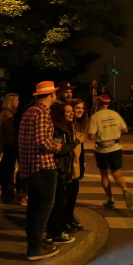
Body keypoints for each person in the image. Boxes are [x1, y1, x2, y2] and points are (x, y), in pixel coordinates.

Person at [18, 81, 63, 261]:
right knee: (44, 207)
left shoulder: (29, 111)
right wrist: (55, 146)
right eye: (54, 93)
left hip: (29, 167)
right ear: (51, 94)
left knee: (33, 208)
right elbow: (41, 141)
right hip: (42, 166)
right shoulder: (43, 113)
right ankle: (35, 248)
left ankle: (34, 242)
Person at [87, 95, 133, 209]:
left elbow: (91, 136)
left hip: (102, 150)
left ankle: (111, 200)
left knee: (104, 175)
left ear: (98, 103)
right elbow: (125, 129)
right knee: (117, 173)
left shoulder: (95, 117)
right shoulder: (115, 114)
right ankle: (125, 190)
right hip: (116, 147)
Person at [45, 102, 79, 244]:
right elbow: (59, 150)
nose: (72, 114)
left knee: (59, 202)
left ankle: (54, 231)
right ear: (60, 114)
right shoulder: (58, 129)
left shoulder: (66, 127)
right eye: (68, 111)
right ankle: (56, 233)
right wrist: (75, 143)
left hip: (62, 169)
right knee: (58, 203)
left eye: (72, 111)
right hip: (58, 170)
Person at [67, 98, 88, 233]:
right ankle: (66, 220)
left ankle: (70, 218)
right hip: (69, 165)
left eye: (82, 108)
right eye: (77, 108)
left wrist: (82, 162)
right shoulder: (69, 125)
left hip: (76, 164)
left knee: (74, 192)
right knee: (69, 194)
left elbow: (81, 147)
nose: (80, 110)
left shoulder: (78, 125)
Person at [0, 92, 20, 203]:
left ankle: (8, 190)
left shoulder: (12, 112)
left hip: (11, 143)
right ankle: (7, 191)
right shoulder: (7, 114)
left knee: (9, 165)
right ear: (11, 101)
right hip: (10, 143)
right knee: (9, 166)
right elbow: (11, 130)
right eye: (16, 100)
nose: (18, 102)